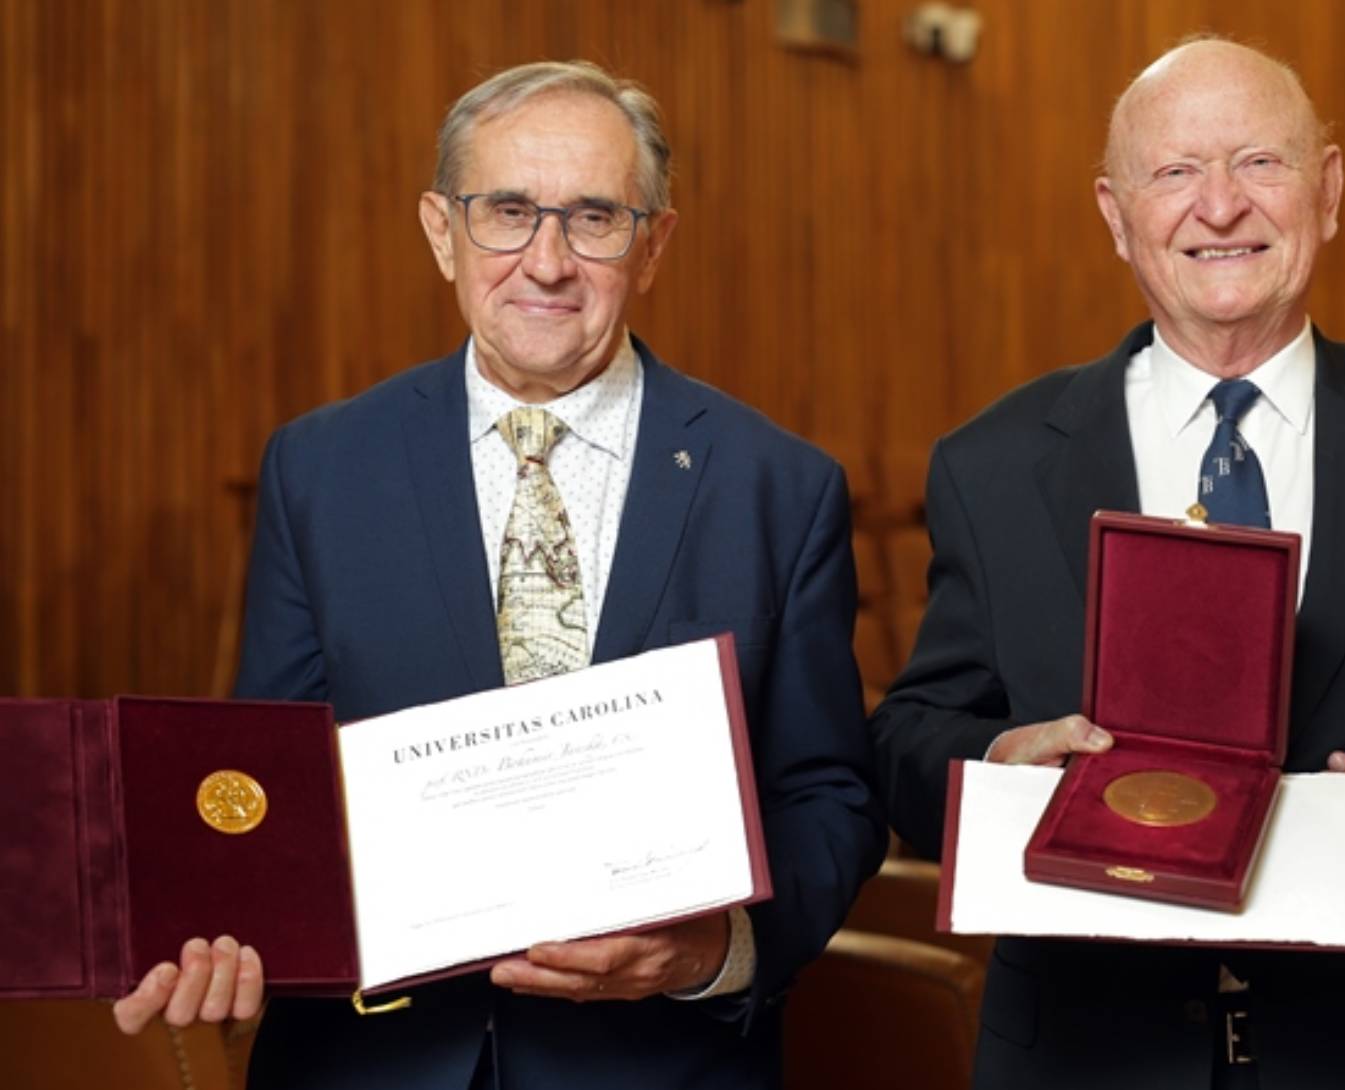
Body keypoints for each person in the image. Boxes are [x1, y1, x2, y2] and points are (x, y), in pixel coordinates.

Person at [869, 37, 1345, 1090]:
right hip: (1091, 1053)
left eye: (1258, 163)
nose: (1219, 206)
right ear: (1113, 213)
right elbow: (909, 740)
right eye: (1174, 171)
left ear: (1325, 190)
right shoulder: (988, 464)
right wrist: (1000, 767)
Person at [110, 60, 885, 1090]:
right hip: (368, 1058)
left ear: (653, 245)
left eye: (594, 217)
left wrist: (712, 953)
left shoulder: (777, 488)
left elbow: (825, 794)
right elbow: (276, 777)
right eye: (507, 212)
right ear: (441, 231)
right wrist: (228, 919)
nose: (547, 261)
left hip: (655, 1064)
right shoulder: (320, 466)